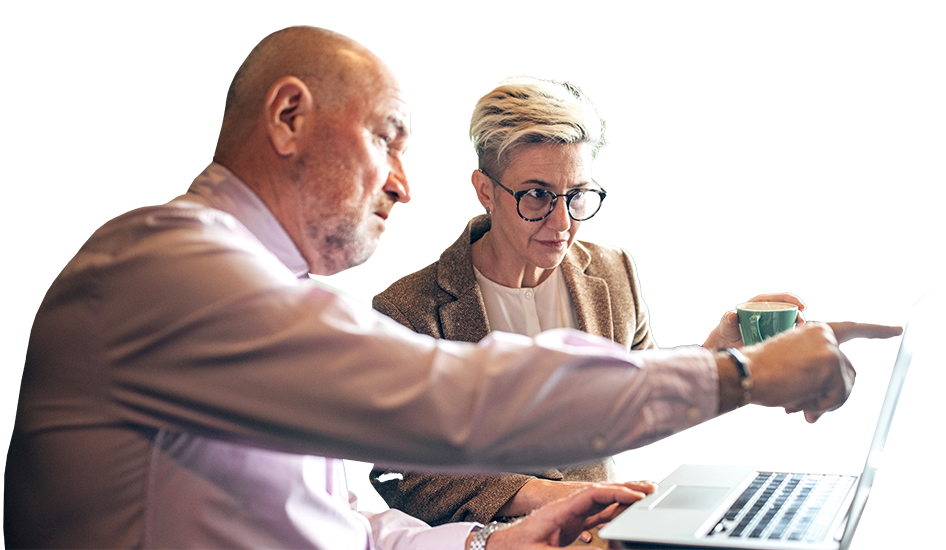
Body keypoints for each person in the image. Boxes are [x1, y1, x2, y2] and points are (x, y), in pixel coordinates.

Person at [12, 27, 857, 550]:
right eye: (386, 138)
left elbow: (334, 524)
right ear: (288, 116)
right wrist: (733, 379)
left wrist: (488, 545)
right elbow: (441, 402)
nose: (399, 190)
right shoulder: (172, 269)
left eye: (578, 195)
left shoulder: (243, 291)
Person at [366, 78, 805, 533]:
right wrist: (550, 495)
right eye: (536, 195)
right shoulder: (408, 310)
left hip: (605, 533)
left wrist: (721, 352)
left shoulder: (614, 274)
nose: (561, 222)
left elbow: (642, 400)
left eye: (578, 194)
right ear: (485, 191)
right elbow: (395, 473)